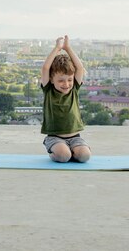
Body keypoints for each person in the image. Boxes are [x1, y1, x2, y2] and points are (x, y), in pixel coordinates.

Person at [40, 35, 91, 163]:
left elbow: (79, 68)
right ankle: (55, 150)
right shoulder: (48, 90)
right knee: (63, 156)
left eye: (69, 80)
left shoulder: (74, 89)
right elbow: (45, 68)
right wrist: (57, 48)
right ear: (52, 80)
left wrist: (68, 48)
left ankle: (73, 151)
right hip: (55, 138)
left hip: (75, 137)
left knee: (84, 156)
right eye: (61, 80)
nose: (66, 84)